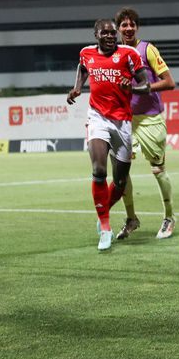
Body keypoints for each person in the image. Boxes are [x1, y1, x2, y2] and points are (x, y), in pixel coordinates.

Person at [66, 18, 150, 251]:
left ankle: (103, 210)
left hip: (122, 122)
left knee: (120, 182)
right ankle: (105, 227)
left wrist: (130, 87)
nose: (110, 36)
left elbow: (146, 85)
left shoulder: (129, 54)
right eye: (105, 33)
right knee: (99, 170)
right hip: (98, 118)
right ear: (96, 35)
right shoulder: (86, 53)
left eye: (113, 33)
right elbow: (83, 68)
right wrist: (77, 88)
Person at [113, 7, 176, 240]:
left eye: (132, 24)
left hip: (150, 119)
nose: (128, 28)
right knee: (121, 172)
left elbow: (169, 82)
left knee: (158, 170)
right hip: (124, 120)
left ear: (137, 27)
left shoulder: (147, 49)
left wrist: (142, 88)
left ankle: (169, 217)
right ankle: (131, 218)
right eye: (124, 25)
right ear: (118, 28)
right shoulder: (115, 53)